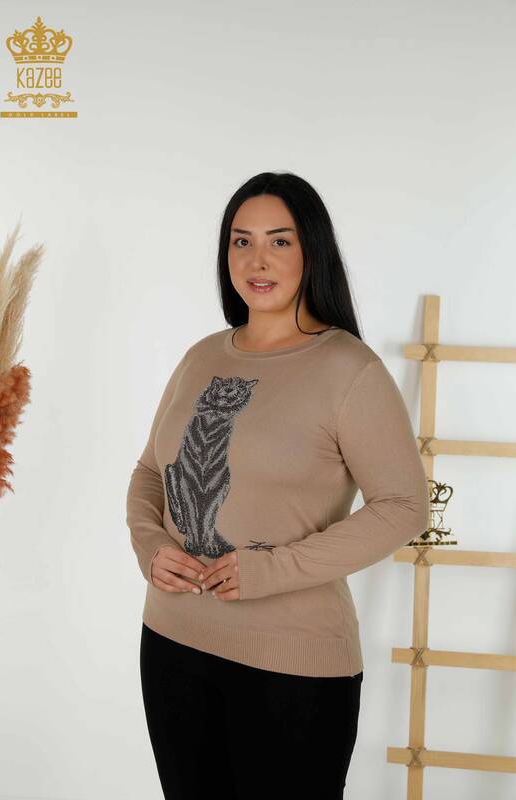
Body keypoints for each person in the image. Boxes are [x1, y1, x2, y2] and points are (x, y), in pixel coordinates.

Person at [126, 171, 430, 800]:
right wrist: (150, 547)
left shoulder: (350, 369)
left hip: (292, 668)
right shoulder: (202, 356)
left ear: (312, 251)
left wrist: (271, 570)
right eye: (241, 241)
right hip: (172, 646)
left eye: (279, 241)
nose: (256, 260)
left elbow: (404, 506)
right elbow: (151, 472)